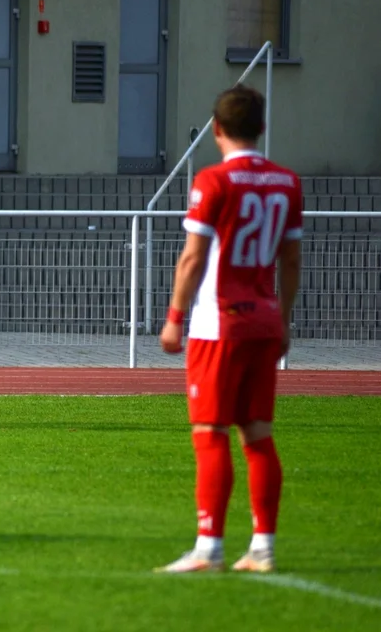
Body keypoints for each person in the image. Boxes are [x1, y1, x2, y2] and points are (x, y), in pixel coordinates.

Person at [156, 84, 303, 574]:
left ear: (216, 129)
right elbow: (291, 258)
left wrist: (175, 318)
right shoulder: (287, 182)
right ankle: (263, 546)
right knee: (258, 435)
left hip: (218, 323)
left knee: (209, 431)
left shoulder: (213, 181)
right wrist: (284, 321)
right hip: (264, 320)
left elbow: (193, 258)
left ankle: (209, 547)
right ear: (261, 128)